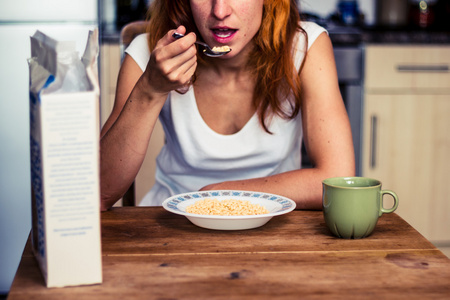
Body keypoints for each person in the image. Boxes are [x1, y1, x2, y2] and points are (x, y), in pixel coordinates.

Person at [100, 0, 355, 211]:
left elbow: (337, 179)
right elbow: (99, 193)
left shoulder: (305, 45)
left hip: (274, 224)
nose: (220, 11)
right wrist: (150, 90)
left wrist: (222, 194)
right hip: (172, 225)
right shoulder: (150, 53)